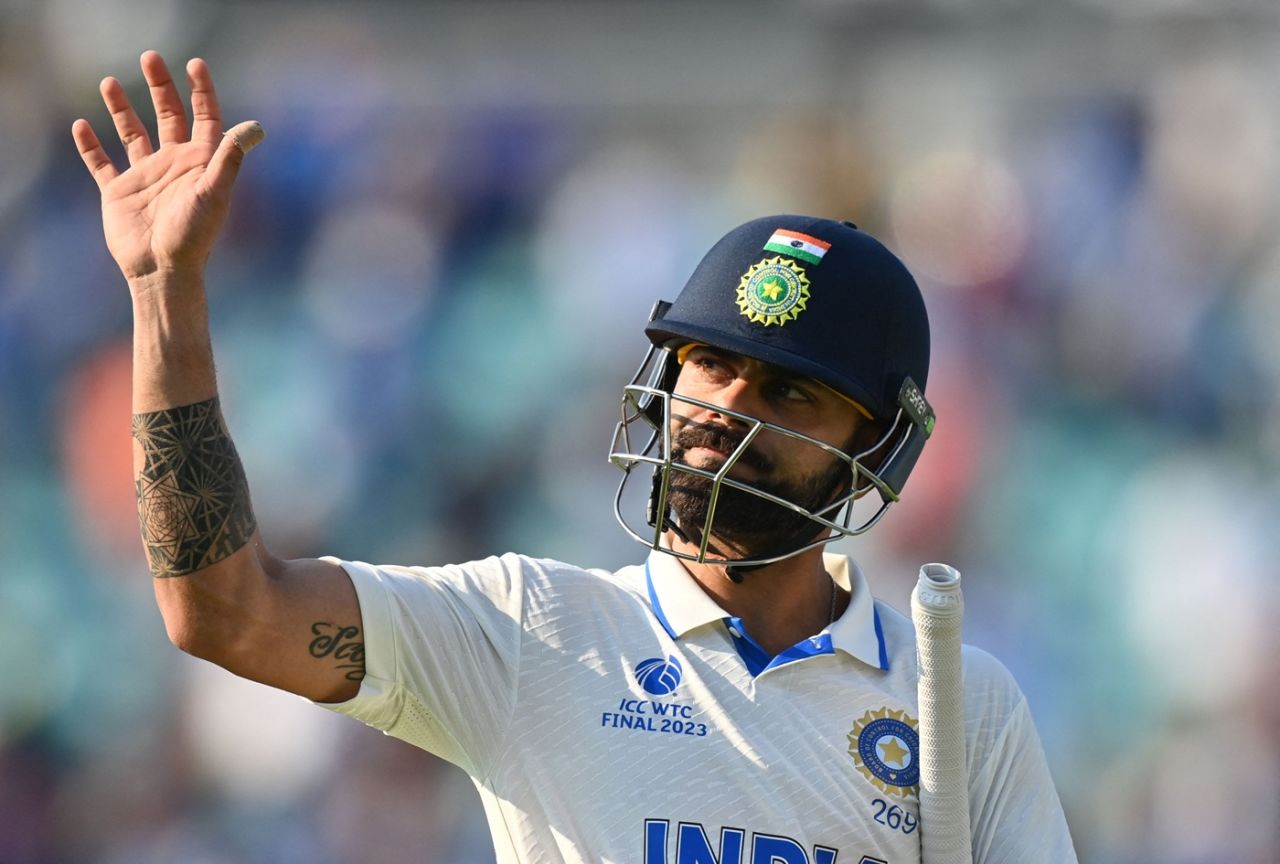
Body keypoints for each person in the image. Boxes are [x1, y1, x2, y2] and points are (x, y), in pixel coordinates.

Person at [73, 51, 1078, 864]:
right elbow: (224, 610)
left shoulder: (955, 703)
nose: (726, 409)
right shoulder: (532, 634)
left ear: (876, 447)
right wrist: (168, 292)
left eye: (787, 391)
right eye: (710, 366)